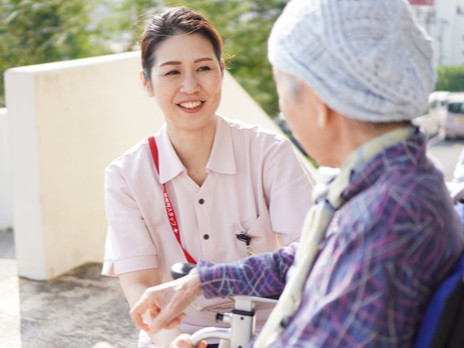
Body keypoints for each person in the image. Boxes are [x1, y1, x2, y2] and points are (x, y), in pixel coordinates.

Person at [129, 0, 464, 347]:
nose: (284, 113)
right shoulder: (395, 180)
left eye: (282, 90)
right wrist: (200, 281)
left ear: (319, 102)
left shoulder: (386, 219)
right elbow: (307, 255)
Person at [101, 6, 315, 348]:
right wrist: (176, 339)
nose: (190, 86)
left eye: (204, 68)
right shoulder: (126, 175)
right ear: (147, 83)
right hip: (174, 333)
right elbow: (138, 281)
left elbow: (306, 257)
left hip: (265, 332)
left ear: (221, 73)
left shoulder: (269, 152)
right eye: (172, 72)